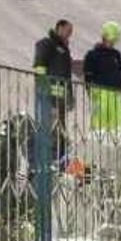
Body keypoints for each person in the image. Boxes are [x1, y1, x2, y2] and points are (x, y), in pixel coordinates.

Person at [33, 19, 74, 153]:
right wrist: (43, 87)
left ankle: (59, 155)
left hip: (60, 97)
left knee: (59, 127)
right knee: (49, 126)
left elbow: (67, 76)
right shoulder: (47, 44)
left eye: (71, 32)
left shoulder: (64, 49)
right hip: (49, 95)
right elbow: (40, 66)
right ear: (59, 28)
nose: (69, 34)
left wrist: (70, 96)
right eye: (68, 31)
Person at [83, 21, 121, 131]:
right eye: (111, 40)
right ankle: (99, 145)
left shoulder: (117, 54)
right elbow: (88, 75)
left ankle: (114, 144)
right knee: (99, 124)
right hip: (100, 93)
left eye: (113, 41)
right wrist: (91, 92)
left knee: (118, 125)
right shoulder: (92, 55)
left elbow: (120, 72)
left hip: (116, 94)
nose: (112, 43)